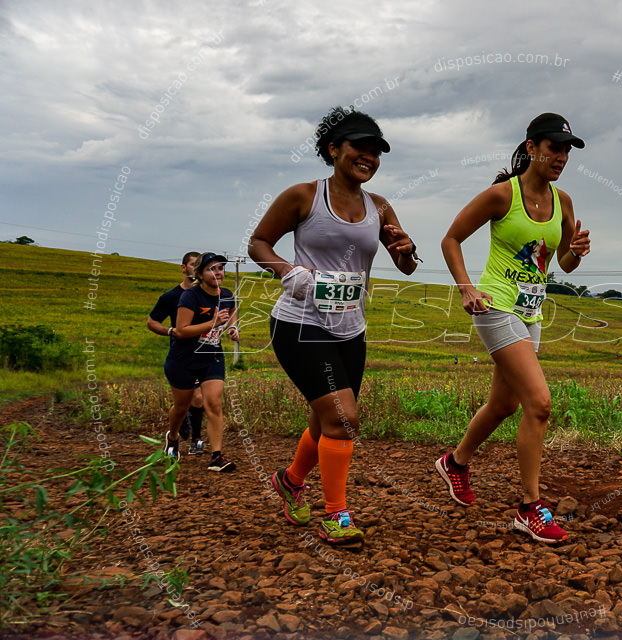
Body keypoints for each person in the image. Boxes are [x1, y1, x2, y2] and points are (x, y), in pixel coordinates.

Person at [249, 107, 419, 546]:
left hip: (351, 328)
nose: (368, 156)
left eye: (376, 151)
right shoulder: (304, 196)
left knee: (329, 421)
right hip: (302, 325)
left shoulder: (379, 206)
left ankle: (290, 481)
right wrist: (288, 272)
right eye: (359, 147)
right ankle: (335, 515)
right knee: (344, 420)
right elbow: (258, 242)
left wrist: (406, 249)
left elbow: (404, 265)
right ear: (333, 149)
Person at [437, 113, 591, 544]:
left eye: (566, 150)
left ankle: (456, 462)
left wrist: (576, 251)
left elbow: (562, 263)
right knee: (539, 403)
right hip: (494, 305)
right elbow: (451, 238)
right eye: (553, 147)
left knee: (504, 405)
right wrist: (466, 289)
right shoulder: (502, 195)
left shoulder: (564, 203)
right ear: (530, 147)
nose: (560, 157)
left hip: (530, 310)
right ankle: (529, 506)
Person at [163, 252, 239, 472]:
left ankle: (216, 457)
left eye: (220, 268)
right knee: (182, 406)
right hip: (183, 359)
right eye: (211, 269)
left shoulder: (225, 294)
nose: (218, 272)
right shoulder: (190, 297)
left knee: (214, 403)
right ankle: (173, 437)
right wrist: (212, 323)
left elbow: (232, 312)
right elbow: (181, 330)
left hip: (211, 356)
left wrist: (232, 327)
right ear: (199, 274)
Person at [147, 251, 206, 455]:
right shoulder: (171, 297)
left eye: (199, 266)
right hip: (181, 354)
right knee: (182, 403)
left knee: (198, 398)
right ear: (183, 268)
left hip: (205, 353)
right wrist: (170, 331)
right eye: (192, 265)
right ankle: (174, 433)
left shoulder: (208, 295)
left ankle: (196, 440)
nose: (195, 269)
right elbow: (152, 321)